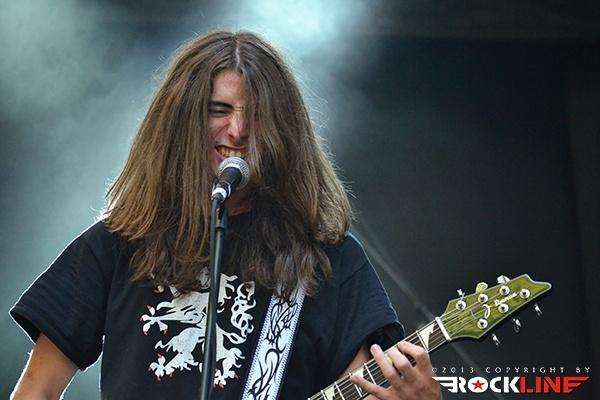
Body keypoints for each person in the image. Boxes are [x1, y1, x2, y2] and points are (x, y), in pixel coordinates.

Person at [10, 31, 441, 400]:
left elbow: (366, 386)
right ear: (181, 122)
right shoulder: (118, 243)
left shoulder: (327, 261)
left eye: (256, 116)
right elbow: (36, 390)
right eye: (218, 111)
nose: (237, 131)